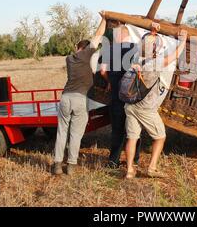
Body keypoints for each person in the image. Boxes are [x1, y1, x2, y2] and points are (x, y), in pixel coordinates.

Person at [124, 24, 187, 179]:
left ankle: (129, 170)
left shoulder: (136, 58)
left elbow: (147, 42)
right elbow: (175, 55)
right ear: (154, 50)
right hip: (145, 108)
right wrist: (184, 40)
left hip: (130, 105)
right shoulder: (155, 63)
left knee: (132, 138)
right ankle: (152, 168)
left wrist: (153, 31)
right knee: (160, 137)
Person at [52, 12, 107, 175]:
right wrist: (103, 18)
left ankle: (56, 165)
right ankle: (70, 166)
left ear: (77, 47)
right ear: (85, 48)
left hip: (66, 97)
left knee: (62, 132)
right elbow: (98, 35)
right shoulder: (86, 54)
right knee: (75, 134)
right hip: (81, 99)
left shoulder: (69, 59)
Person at [100, 23, 141, 169]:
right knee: (134, 130)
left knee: (117, 130)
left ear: (119, 35)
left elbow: (103, 71)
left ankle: (113, 161)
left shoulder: (109, 49)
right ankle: (135, 159)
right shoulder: (137, 49)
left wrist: (110, 81)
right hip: (132, 96)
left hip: (117, 96)